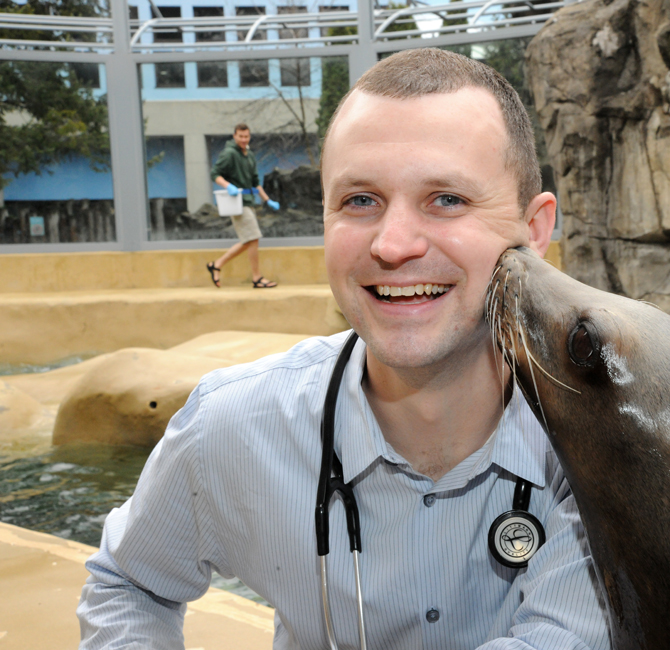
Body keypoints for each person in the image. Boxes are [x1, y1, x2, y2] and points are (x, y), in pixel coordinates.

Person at [77, 49, 611, 650]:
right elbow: (130, 583)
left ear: (534, 231)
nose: (393, 244)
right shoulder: (230, 428)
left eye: (447, 199)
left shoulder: (600, 451)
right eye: (360, 200)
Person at [206, 123, 280, 289]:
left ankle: (216, 265)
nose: (243, 139)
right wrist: (227, 186)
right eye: (240, 136)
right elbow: (214, 174)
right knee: (252, 238)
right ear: (234, 136)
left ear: (249, 137)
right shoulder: (229, 153)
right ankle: (257, 278)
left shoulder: (250, 155)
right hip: (236, 202)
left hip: (249, 201)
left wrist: (267, 200)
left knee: (249, 240)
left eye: (246, 136)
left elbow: (255, 182)